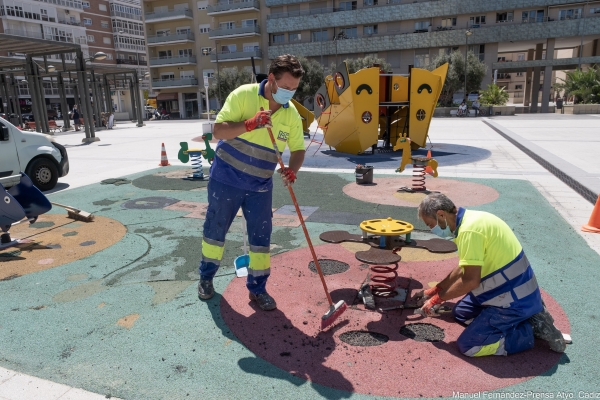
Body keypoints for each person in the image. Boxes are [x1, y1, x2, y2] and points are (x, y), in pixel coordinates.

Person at [197, 54, 306, 311]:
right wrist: (250, 124)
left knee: (261, 239)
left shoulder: (291, 114)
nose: (290, 93)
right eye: (286, 87)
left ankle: (258, 289)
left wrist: (292, 169)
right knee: (215, 230)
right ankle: (206, 278)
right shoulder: (243, 95)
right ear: (271, 79)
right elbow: (218, 132)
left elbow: (298, 149)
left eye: (294, 89)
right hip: (226, 179)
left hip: (260, 185)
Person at [413, 193, 566, 357]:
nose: (431, 229)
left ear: (441, 214)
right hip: (503, 290)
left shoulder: (470, 231)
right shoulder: (471, 220)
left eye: (430, 224)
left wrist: (437, 299)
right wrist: (436, 289)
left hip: (513, 300)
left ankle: (528, 330)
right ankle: (520, 317)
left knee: (470, 346)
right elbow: (464, 267)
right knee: (460, 313)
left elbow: (470, 281)